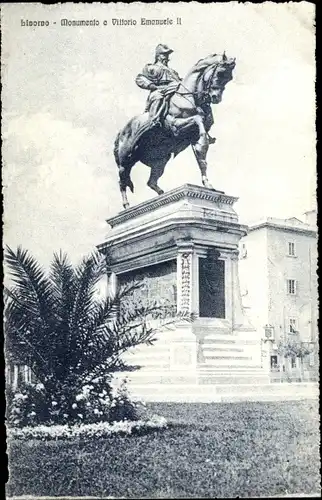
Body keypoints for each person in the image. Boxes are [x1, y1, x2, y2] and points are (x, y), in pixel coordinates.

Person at [135, 44, 181, 125]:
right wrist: (151, 86)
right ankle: (154, 121)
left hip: (174, 89)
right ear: (158, 56)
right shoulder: (151, 68)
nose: (166, 57)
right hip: (159, 90)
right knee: (158, 97)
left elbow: (179, 81)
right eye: (164, 55)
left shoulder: (173, 71)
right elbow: (140, 78)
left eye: (167, 55)